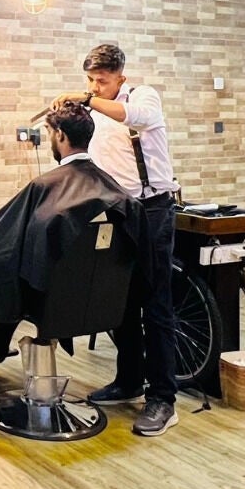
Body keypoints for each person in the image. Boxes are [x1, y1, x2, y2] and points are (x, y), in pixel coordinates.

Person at [0, 100, 138, 364]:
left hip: (50, 300)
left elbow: (6, 240)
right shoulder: (116, 191)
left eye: (50, 134)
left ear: (60, 135)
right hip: (100, 299)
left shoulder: (45, 187)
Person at [56, 42, 181, 437]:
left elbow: (134, 116)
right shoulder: (93, 110)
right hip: (117, 210)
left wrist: (88, 100)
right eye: (90, 80)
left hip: (154, 209)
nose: (95, 86)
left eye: (103, 80)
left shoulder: (142, 97)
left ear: (120, 77)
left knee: (156, 306)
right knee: (121, 300)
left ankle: (163, 398)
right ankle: (129, 380)